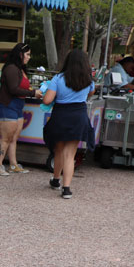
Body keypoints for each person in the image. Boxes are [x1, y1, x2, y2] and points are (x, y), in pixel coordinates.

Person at [42, 49, 95, 200]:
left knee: (58, 150)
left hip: (60, 115)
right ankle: (66, 189)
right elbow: (91, 93)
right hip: (79, 115)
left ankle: (56, 180)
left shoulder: (58, 78)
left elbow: (47, 100)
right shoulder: (88, 80)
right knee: (70, 154)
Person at [0, 43, 41, 175]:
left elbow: (22, 88)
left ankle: (13, 165)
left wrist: (33, 91)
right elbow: (13, 89)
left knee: (13, 138)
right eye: (27, 54)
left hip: (17, 107)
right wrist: (32, 93)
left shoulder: (20, 69)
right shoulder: (11, 69)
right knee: (5, 138)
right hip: (6, 106)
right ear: (20, 54)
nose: (29, 57)